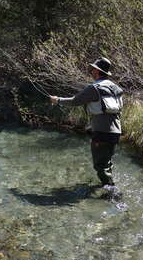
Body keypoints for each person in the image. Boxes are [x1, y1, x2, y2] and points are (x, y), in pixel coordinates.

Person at [50, 58, 123, 187]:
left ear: (97, 71)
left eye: (93, 69)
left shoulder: (94, 88)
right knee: (107, 162)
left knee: (100, 166)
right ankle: (109, 184)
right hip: (116, 132)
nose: (91, 71)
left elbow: (74, 101)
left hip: (101, 132)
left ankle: (111, 192)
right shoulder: (116, 88)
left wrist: (58, 100)